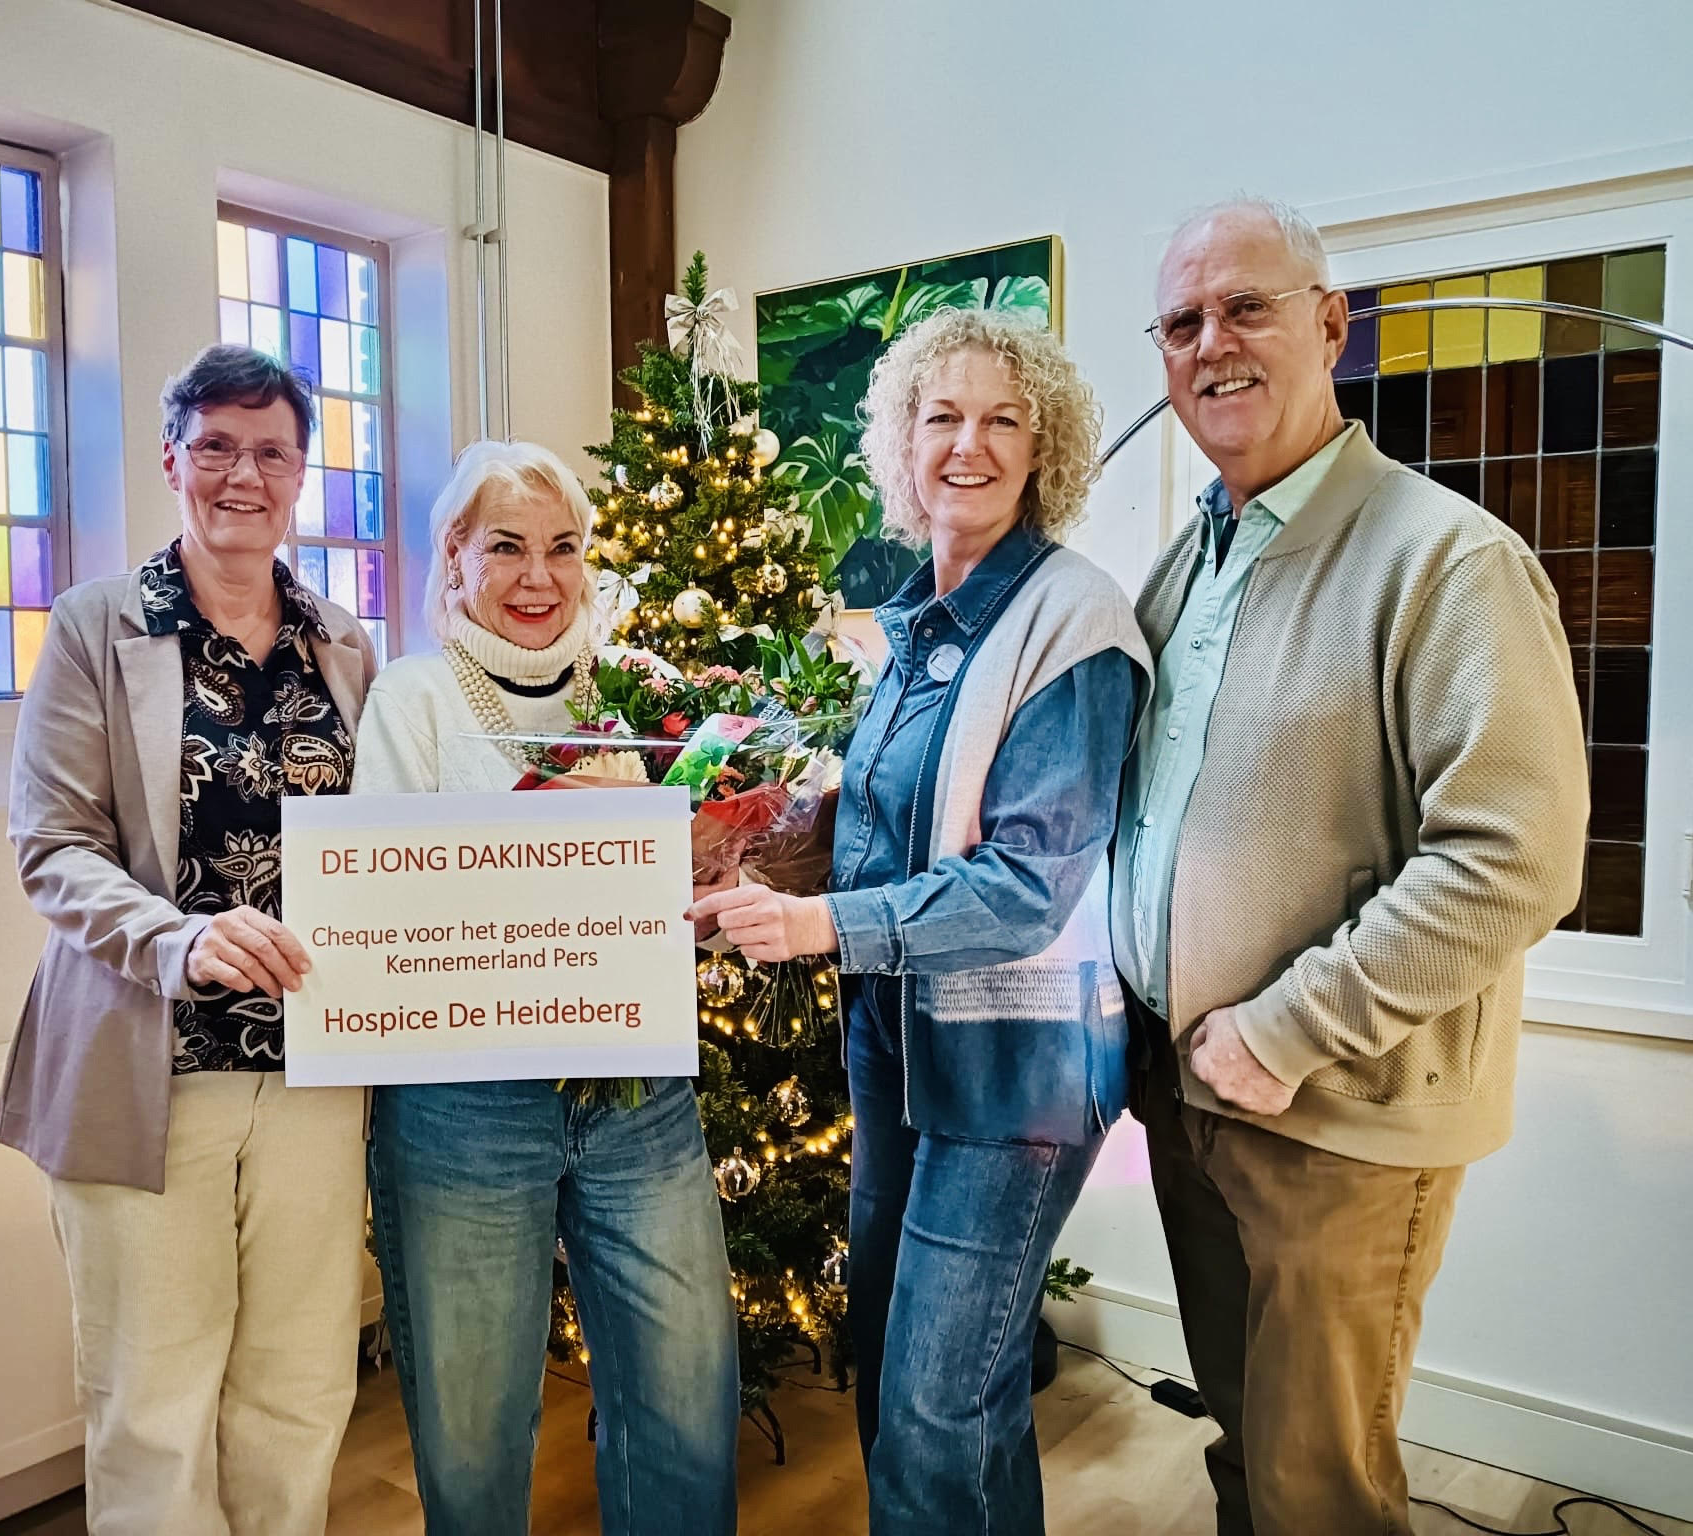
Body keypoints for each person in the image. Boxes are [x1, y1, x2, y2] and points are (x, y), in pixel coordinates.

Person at [1116, 197, 1590, 1535]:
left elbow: (1514, 859)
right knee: (1244, 1446)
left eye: (1246, 307)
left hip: (1333, 1114)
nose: (1213, 344)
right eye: (1182, 322)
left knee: (1317, 1490)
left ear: (1331, 325)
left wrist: (1284, 1031)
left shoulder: (1449, 561)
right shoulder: (1188, 563)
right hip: (1188, 1099)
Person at [691, 305, 1148, 1533]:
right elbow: (883, 831)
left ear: (1046, 447)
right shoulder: (911, 629)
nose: (968, 445)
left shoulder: (1073, 619)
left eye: (1004, 419)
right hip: (898, 1054)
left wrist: (824, 929)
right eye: (941, 416)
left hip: (1015, 1072)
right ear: (902, 444)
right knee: (929, 1389)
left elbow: (1027, 885)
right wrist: (747, 864)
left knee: (935, 1408)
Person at [0, 344, 377, 1535]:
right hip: (148, 1063)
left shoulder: (344, 642)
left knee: (300, 1391)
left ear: (301, 473)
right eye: (216, 446)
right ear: (173, 460)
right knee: (154, 1405)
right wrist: (179, 940)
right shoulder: (94, 627)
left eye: (270, 452)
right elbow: (53, 846)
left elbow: (391, 844)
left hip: (316, 1072)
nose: (242, 475)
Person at [352, 439, 740, 1536]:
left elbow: (677, 899)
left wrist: (713, 866)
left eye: (563, 548)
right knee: (473, 1438)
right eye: (506, 548)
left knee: (686, 1406)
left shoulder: (640, 696)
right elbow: (386, 909)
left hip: (637, 1091)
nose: (539, 577)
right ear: (455, 558)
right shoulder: (416, 700)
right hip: (466, 1108)